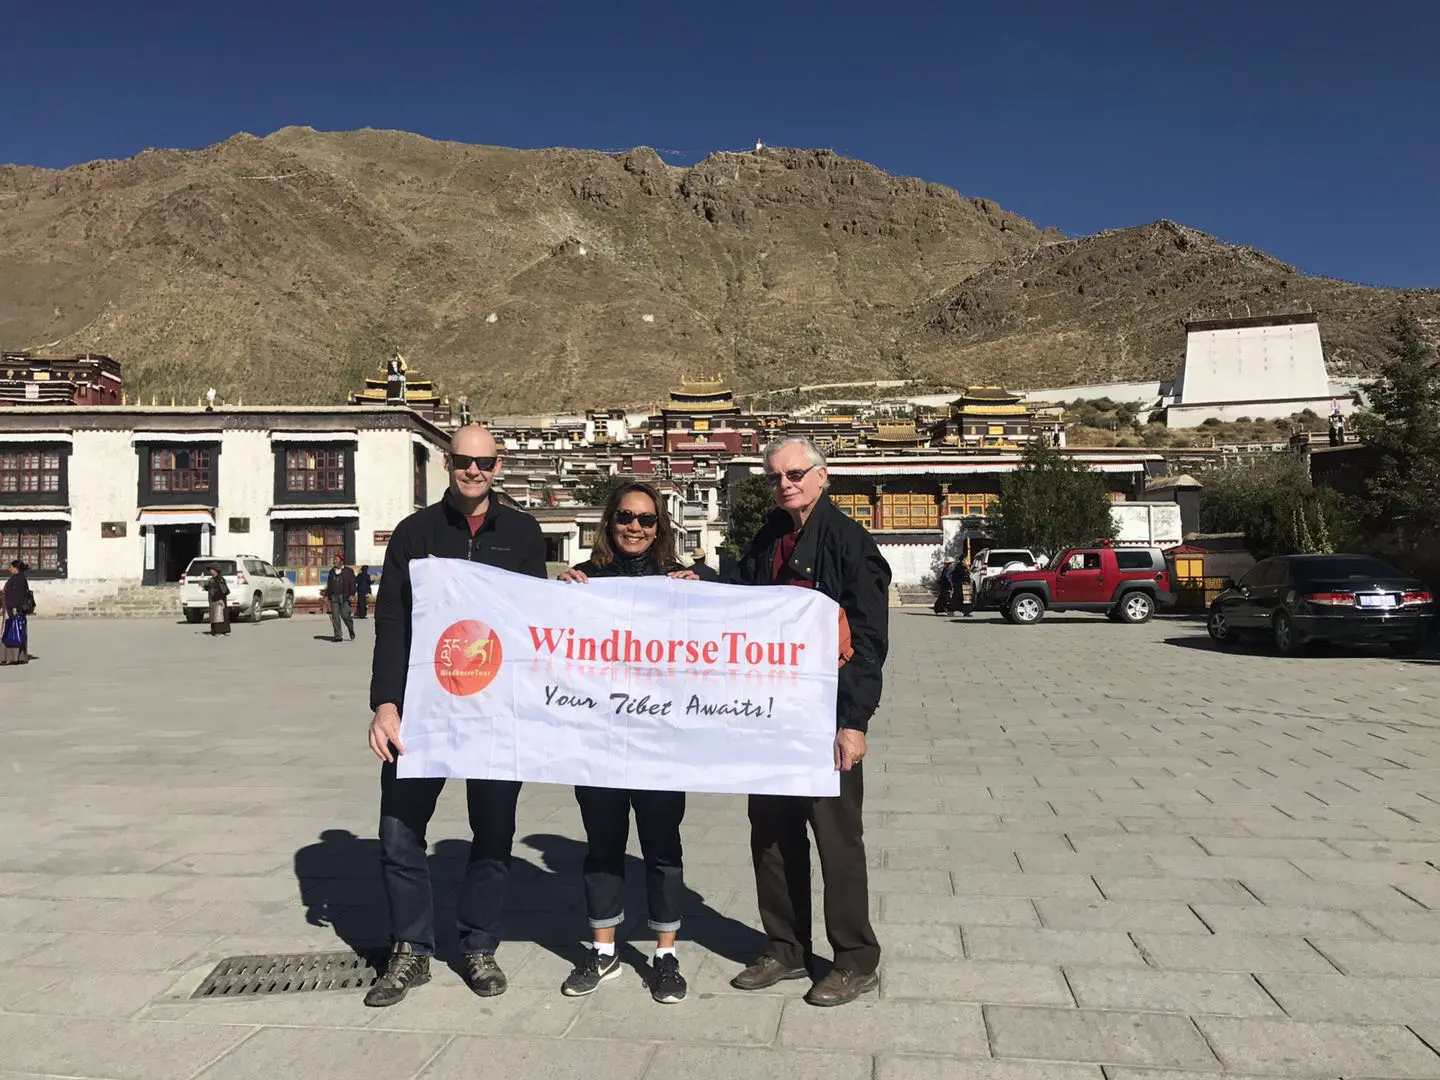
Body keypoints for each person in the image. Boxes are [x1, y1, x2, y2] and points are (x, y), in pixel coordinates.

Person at [365, 424, 548, 1008]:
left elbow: (535, 618)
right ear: (447, 462)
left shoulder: (522, 532)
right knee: (399, 830)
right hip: (424, 709)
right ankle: (411, 949)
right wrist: (385, 704)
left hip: (495, 712)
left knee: (493, 833)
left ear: (499, 465)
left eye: (486, 462)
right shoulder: (416, 533)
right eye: (465, 461)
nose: (475, 471)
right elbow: (392, 620)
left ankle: (478, 944)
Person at [727, 435, 890, 1008]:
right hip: (770, 712)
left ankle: (854, 958)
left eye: (795, 473)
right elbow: (739, 600)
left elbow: (869, 640)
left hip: (826, 716)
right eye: (774, 477)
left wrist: (855, 722)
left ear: (823, 477)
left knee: (836, 840)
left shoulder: (850, 543)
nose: (784, 484)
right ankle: (786, 947)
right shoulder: (768, 537)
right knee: (770, 832)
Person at [556, 482, 699, 1005]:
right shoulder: (585, 581)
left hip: (660, 742)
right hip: (600, 740)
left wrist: (702, 584)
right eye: (624, 516)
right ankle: (603, 950)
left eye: (646, 518)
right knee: (603, 847)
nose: (634, 526)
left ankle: (665, 954)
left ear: (660, 527)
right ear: (608, 522)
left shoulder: (681, 581)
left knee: (662, 848)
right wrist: (559, 595)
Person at [2, 560, 34, 665]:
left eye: (11, 567)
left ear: (16, 568)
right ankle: (16, 657)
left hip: (15, 609)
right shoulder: (17, 578)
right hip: (12, 608)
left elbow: (18, 596)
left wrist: (13, 607)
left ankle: (13, 657)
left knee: (13, 632)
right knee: (13, 631)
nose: (9, 569)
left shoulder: (19, 580)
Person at [326, 555, 357, 641]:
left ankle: (351, 628)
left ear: (341, 561)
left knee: (345, 615)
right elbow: (329, 584)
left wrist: (352, 594)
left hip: (344, 597)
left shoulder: (348, 571)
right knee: (335, 617)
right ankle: (338, 635)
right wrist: (327, 596)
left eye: (336, 560)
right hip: (334, 597)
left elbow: (353, 584)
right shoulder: (332, 572)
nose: (334, 562)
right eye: (334, 560)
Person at [203, 566, 230, 637]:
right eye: (210, 570)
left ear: (216, 570)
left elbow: (225, 591)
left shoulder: (220, 579)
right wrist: (203, 585)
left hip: (219, 600)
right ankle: (214, 631)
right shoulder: (211, 579)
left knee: (219, 615)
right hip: (212, 600)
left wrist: (221, 598)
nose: (211, 571)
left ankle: (220, 631)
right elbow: (209, 588)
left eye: (212, 570)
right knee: (213, 615)